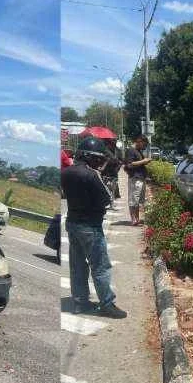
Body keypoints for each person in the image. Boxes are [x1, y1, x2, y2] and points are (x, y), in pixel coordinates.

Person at [61, 136, 126, 318]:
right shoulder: (91, 175)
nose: (99, 162)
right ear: (89, 156)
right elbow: (107, 199)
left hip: (72, 223)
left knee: (78, 265)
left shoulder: (66, 172)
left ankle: (80, 302)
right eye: (97, 158)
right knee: (100, 266)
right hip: (90, 226)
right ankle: (106, 303)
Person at [122, 135, 152, 226]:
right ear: (139, 141)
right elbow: (129, 164)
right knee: (133, 199)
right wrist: (144, 161)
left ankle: (137, 218)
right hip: (135, 178)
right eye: (144, 145)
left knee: (138, 200)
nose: (144, 147)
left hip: (140, 178)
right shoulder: (131, 150)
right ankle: (133, 219)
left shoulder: (138, 151)